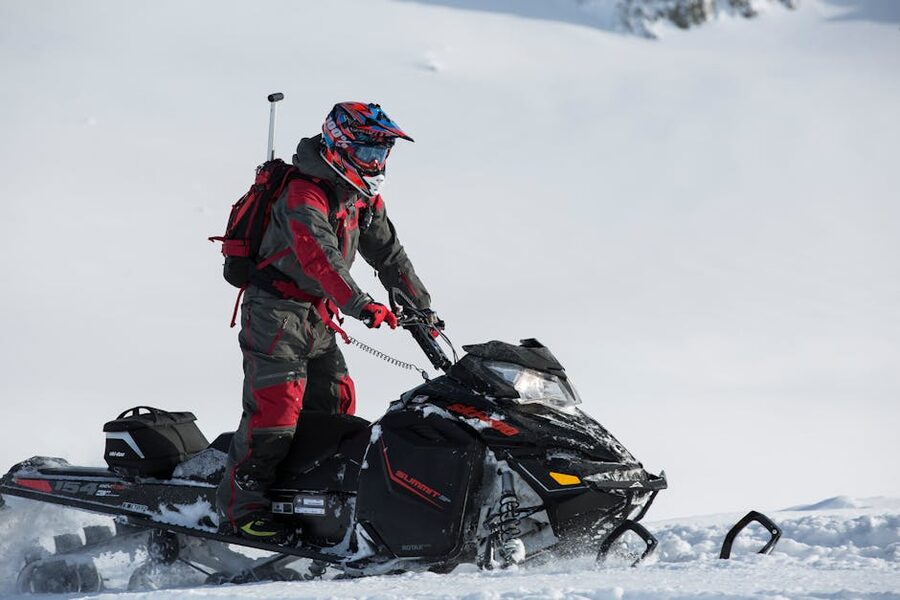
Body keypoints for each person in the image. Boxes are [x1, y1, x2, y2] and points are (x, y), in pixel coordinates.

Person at [216, 102, 437, 541]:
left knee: (335, 405)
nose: (376, 163)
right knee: (275, 415)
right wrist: (362, 305)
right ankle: (241, 510)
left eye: (382, 153)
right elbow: (319, 259)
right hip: (275, 314)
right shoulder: (304, 193)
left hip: (317, 315)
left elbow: (390, 256)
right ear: (339, 145)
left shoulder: (361, 196)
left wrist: (421, 309)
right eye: (368, 151)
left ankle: (306, 497)